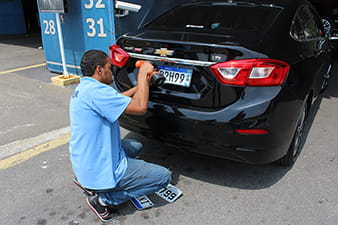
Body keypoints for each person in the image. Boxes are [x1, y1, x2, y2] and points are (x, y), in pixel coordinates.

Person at [69, 50, 171, 222]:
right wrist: (142, 74)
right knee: (163, 177)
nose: (112, 71)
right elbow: (140, 108)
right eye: (109, 67)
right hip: (98, 167)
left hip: (85, 160)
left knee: (135, 146)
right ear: (99, 70)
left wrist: (142, 86)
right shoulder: (97, 93)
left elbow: (117, 99)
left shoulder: (86, 88)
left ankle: (89, 182)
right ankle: (103, 200)